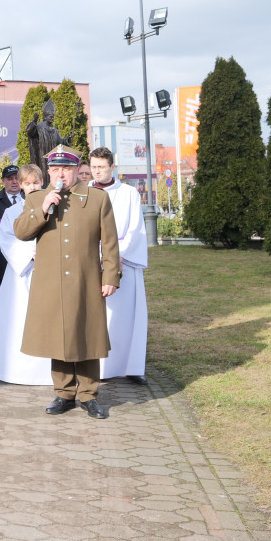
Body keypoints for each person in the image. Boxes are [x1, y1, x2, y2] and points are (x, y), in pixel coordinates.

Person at [14, 145, 121, 420]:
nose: (60, 173)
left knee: (87, 333)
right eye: (55, 169)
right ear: (48, 171)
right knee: (56, 334)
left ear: (77, 170)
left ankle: (88, 395)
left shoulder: (97, 198)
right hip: (50, 280)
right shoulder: (37, 197)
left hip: (86, 278)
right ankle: (63, 392)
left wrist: (110, 276)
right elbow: (22, 232)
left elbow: (109, 242)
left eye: (66, 169)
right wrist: (43, 207)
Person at [0, 165, 52, 384]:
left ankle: (51, 367)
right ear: (21, 186)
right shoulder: (12, 212)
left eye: (36, 182)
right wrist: (30, 255)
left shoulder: (53, 206)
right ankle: (15, 369)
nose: (32, 187)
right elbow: (6, 240)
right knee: (19, 318)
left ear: (43, 182)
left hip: (49, 271)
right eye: (28, 183)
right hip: (22, 273)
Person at [89, 147, 149, 385]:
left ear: (113, 167)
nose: (97, 171)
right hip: (92, 262)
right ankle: (97, 367)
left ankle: (131, 366)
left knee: (127, 318)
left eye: (102, 167)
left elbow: (134, 228)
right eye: (93, 167)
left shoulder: (129, 193)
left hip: (124, 261)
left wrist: (115, 256)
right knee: (100, 317)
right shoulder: (85, 193)